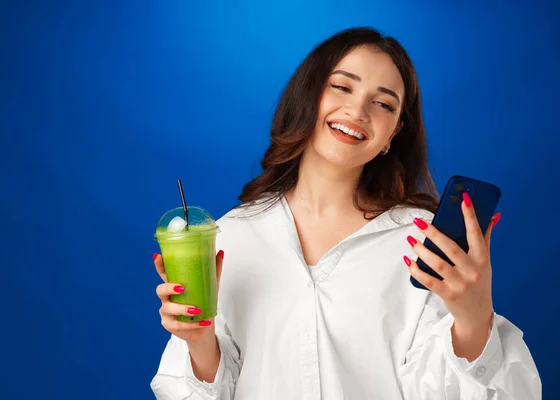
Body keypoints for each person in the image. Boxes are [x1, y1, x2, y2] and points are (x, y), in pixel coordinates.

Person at [149, 27, 541, 399]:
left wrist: (475, 320)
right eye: (341, 86)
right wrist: (200, 342)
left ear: (393, 134)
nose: (357, 110)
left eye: (383, 103)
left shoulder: (423, 241)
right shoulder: (232, 236)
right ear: (309, 95)